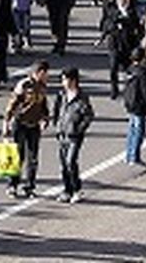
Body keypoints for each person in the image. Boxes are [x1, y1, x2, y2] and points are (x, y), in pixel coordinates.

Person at [1, 60, 50, 199]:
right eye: (45, 73)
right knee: (17, 156)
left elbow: (43, 105)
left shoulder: (42, 87)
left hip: (34, 125)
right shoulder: (24, 85)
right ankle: (12, 185)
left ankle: (30, 186)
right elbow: (12, 104)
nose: (47, 76)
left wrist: (45, 119)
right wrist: (6, 122)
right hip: (20, 123)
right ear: (38, 72)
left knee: (33, 158)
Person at [53, 67, 93, 203]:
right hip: (62, 133)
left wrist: (79, 129)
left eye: (66, 79)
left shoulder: (82, 97)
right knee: (64, 164)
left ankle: (77, 189)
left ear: (74, 80)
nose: (63, 82)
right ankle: (67, 190)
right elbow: (57, 111)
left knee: (71, 161)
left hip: (75, 135)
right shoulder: (61, 95)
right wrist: (56, 126)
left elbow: (88, 115)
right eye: (63, 79)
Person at [100, 0, 142, 99]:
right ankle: (114, 89)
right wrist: (110, 28)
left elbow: (137, 28)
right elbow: (106, 25)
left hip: (128, 45)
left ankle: (130, 89)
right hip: (115, 45)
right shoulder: (112, 11)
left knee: (129, 69)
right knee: (113, 68)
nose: (123, 1)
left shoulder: (132, 12)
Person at [123, 49, 146, 166]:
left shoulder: (129, 70)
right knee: (139, 131)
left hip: (130, 103)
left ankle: (128, 154)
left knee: (131, 130)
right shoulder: (143, 73)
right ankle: (134, 156)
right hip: (139, 104)